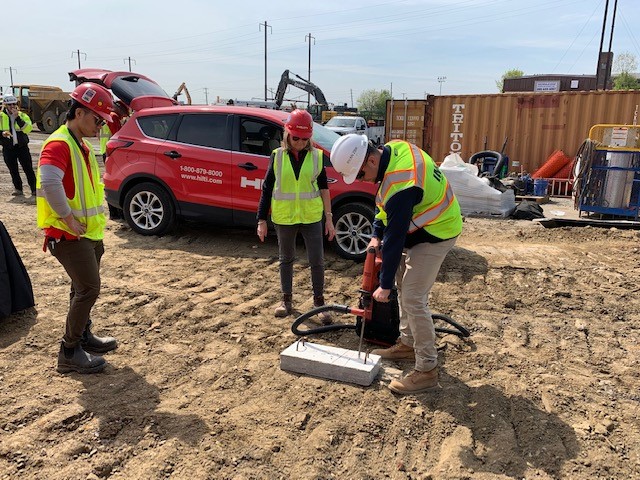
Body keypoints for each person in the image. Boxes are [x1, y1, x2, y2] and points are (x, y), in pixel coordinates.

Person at [330, 134, 463, 394]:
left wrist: (384, 285)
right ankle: (407, 344)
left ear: (369, 160)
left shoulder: (403, 183)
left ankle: (427, 369)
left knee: (413, 297)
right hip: (422, 226)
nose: (361, 181)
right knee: (405, 287)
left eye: (359, 175)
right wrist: (375, 233)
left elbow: (396, 237)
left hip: (437, 231)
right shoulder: (393, 150)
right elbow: (384, 210)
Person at [36, 83, 118, 374]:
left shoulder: (79, 144)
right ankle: (69, 350)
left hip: (88, 234)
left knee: (80, 288)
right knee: (88, 289)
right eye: (97, 119)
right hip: (69, 234)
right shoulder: (60, 144)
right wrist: (68, 218)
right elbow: (49, 182)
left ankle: (83, 336)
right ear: (79, 112)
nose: (100, 126)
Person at [257, 110, 336, 323]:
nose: (300, 142)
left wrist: (329, 219)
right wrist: (261, 219)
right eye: (296, 138)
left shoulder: (317, 157)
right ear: (287, 134)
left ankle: (319, 303)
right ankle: (286, 301)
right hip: (284, 218)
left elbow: (324, 189)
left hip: (311, 217)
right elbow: (267, 189)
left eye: (305, 138)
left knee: (317, 261)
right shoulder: (277, 156)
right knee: (286, 260)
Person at [1, 93, 36, 197]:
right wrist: (2, 134)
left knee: (28, 168)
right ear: (5, 105)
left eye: (13, 104)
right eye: (9, 104)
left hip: (22, 147)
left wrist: (17, 118)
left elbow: (28, 129)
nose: (12, 106)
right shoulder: (1, 116)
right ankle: (18, 189)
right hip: (8, 148)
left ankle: (34, 189)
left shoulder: (22, 116)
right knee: (13, 169)